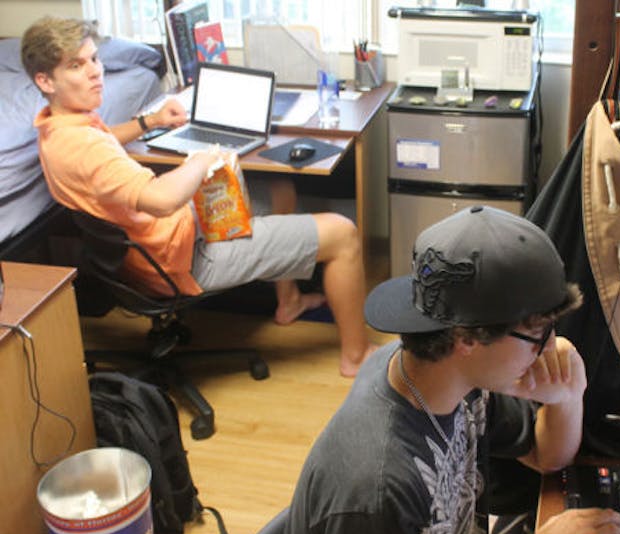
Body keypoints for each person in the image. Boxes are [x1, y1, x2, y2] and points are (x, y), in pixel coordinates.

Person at [278, 205, 620, 534]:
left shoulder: (448, 380)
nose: (546, 348)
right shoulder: (376, 490)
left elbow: (546, 454)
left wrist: (566, 393)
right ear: (467, 338)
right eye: (537, 332)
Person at [21, 16, 376, 376]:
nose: (95, 72)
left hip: (144, 252)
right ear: (45, 80)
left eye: (94, 59)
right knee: (343, 234)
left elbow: (105, 140)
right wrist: (202, 159)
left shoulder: (57, 127)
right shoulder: (83, 147)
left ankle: (290, 300)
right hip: (181, 259)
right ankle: (356, 357)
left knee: (281, 188)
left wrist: (151, 122)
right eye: (77, 66)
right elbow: (160, 199)